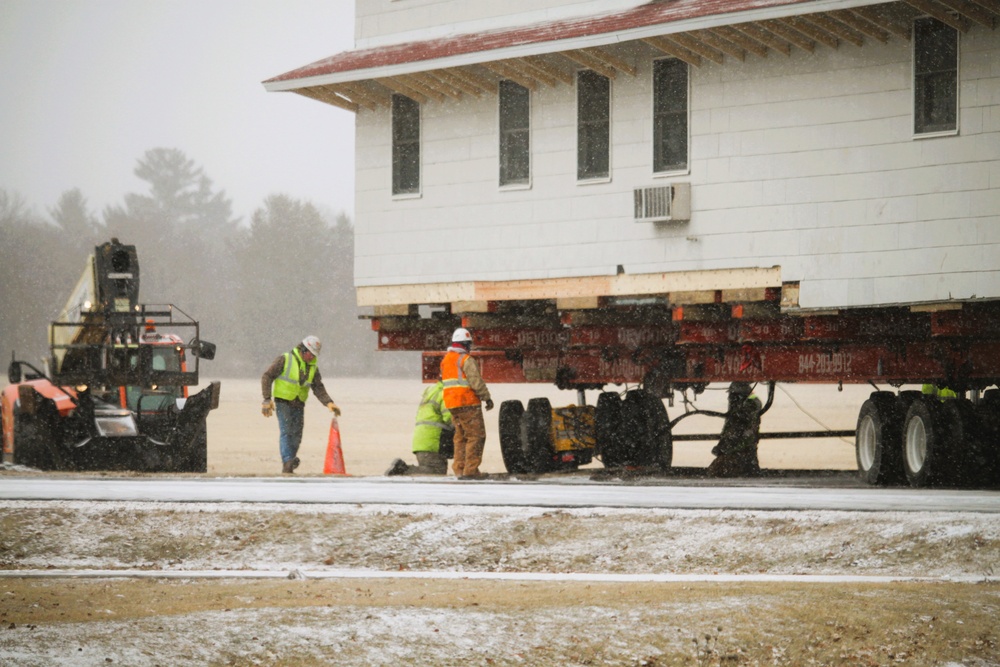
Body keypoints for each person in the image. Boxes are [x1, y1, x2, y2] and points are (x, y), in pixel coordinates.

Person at [261, 335, 341, 474]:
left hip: (299, 404)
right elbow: (267, 376)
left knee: (297, 435)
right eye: (311, 354)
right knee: (286, 432)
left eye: (314, 355)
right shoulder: (285, 359)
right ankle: (287, 461)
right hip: (283, 402)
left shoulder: (313, 367)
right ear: (303, 350)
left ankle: (290, 461)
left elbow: (318, 387)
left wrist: (329, 402)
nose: (312, 357)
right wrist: (267, 399)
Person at [440, 327, 494, 479]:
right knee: (476, 436)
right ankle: (471, 470)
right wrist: (487, 398)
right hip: (468, 403)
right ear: (465, 344)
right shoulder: (465, 360)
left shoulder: (446, 360)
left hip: (452, 404)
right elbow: (476, 382)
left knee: (460, 437)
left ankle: (459, 468)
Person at [385, 379, 454, 476]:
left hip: (422, 439)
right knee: (436, 471)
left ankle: (401, 469)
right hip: (434, 441)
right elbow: (450, 418)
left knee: (432, 469)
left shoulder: (433, 391)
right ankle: (402, 470)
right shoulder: (446, 393)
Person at [706, 381, 762, 478]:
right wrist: (721, 447)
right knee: (715, 471)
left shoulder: (745, 413)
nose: (729, 398)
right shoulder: (738, 413)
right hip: (738, 454)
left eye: (732, 395)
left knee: (717, 471)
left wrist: (727, 450)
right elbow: (729, 432)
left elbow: (745, 439)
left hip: (741, 456)